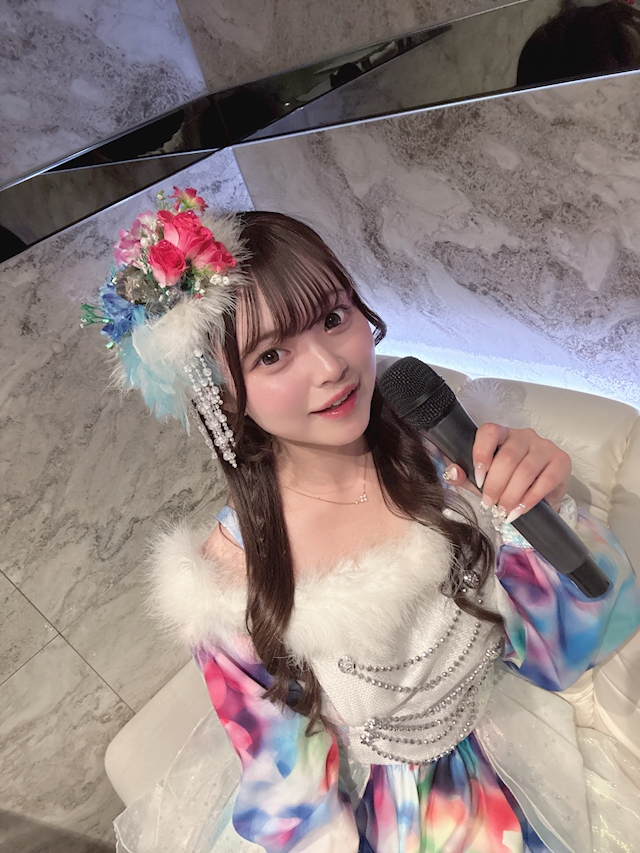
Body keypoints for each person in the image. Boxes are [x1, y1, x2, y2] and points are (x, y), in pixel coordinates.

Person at [84, 189, 640, 852]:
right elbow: (296, 802)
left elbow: (578, 638)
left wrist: (538, 508)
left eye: (333, 316)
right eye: (271, 355)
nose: (331, 366)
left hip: (523, 756)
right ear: (223, 394)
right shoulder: (230, 580)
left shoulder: (446, 456)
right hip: (400, 822)